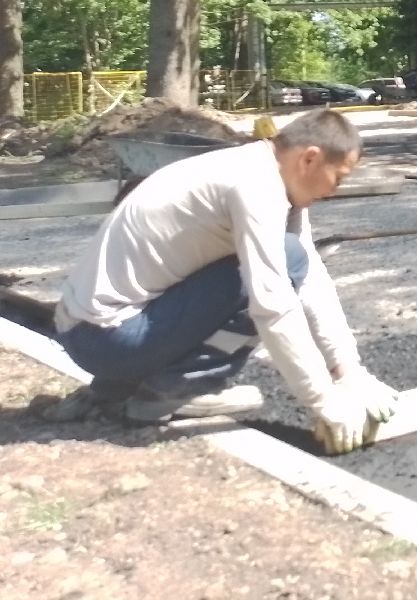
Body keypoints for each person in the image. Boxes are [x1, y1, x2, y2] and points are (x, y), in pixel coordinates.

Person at [51, 109, 397, 455]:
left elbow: (311, 278)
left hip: (94, 333)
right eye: (339, 178)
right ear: (310, 159)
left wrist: (348, 370)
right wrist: (326, 403)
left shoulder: (259, 170)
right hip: (108, 341)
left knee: (291, 258)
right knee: (282, 263)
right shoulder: (255, 185)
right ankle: (174, 390)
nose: (335, 191)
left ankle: (121, 388)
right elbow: (274, 307)